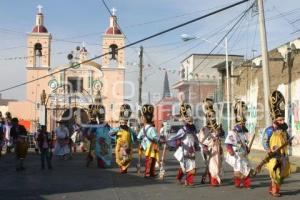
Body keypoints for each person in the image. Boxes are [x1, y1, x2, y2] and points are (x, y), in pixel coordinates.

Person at [262, 90, 291, 197]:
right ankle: (275, 191)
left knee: (282, 174)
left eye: (283, 119)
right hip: (273, 156)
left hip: (283, 156)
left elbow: (287, 139)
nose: (283, 122)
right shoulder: (269, 130)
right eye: (280, 120)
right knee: (275, 173)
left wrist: (290, 142)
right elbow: (264, 141)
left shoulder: (284, 131)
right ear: (275, 120)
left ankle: (273, 188)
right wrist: (268, 149)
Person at [168, 103, 199, 186]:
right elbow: (173, 138)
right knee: (184, 167)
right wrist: (176, 142)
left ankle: (189, 181)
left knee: (192, 166)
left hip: (191, 150)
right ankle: (180, 178)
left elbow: (196, 138)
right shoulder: (182, 130)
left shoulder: (193, 129)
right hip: (184, 151)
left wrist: (197, 145)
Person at [225, 100, 252, 189]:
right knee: (237, 169)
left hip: (243, 153)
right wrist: (230, 150)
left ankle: (247, 184)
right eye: (242, 123)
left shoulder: (244, 132)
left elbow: (245, 142)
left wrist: (247, 148)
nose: (244, 124)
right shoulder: (233, 132)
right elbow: (228, 143)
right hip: (236, 154)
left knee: (246, 168)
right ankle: (237, 183)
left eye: (244, 123)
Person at [198, 98, 223, 186]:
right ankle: (213, 181)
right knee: (212, 165)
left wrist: (219, 132)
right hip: (208, 149)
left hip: (217, 148)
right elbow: (201, 141)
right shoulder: (204, 129)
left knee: (217, 165)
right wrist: (205, 148)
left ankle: (211, 178)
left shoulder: (217, 127)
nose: (212, 117)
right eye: (210, 116)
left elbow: (222, 135)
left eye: (213, 116)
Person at [110, 104, 137, 174]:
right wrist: (115, 136)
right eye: (122, 123)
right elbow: (110, 134)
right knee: (119, 158)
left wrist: (134, 140)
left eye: (125, 123)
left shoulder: (130, 130)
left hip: (127, 147)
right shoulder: (117, 129)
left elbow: (135, 136)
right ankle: (122, 168)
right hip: (120, 147)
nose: (124, 124)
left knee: (127, 158)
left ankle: (124, 168)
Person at [137, 104, 161, 178]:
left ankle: (151, 173)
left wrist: (142, 142)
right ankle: (148, 173)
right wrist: (160, 140)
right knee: (151, 161)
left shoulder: (143, 129)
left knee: (150, 160)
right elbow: (156, 138)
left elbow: (138, 137)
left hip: (147, 147)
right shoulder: (152, 129)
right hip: (152, 147)